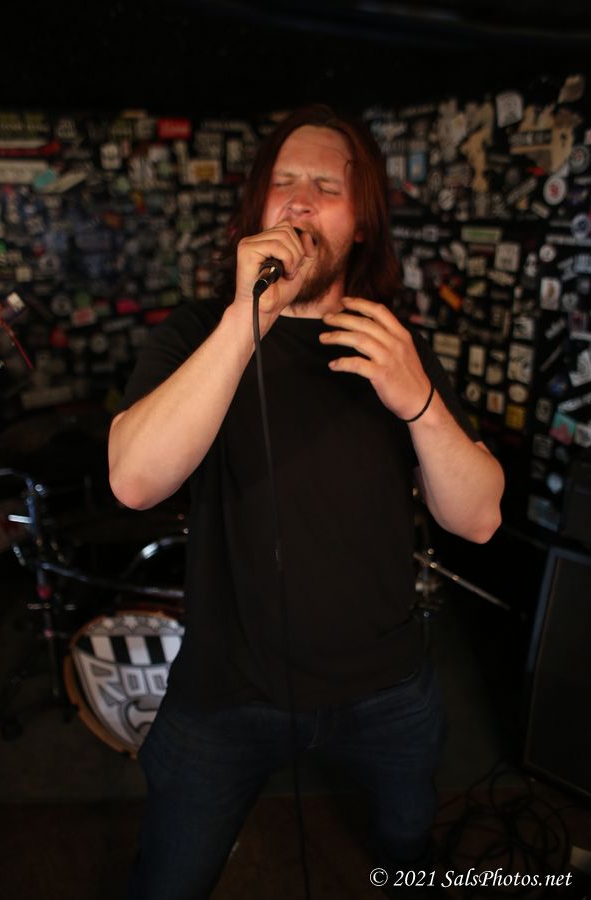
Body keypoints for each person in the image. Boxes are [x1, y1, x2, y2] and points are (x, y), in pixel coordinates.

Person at [109, 104, 504, 899]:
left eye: (326, 186)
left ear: (361, 226)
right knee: (169, 881)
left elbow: (479, 519)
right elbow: (135, 480)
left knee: (408, 850)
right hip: (226, 691)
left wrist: (420, 402)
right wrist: (245, 321)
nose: (298, 200)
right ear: (256, 211)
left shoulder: (392, 344)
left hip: (388, 686)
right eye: (283, 182)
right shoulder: (199, 332)